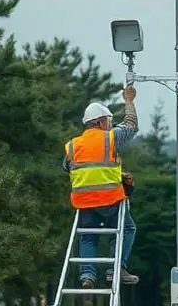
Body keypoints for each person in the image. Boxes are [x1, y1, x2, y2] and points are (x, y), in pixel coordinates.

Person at [62, 85, 139, 290]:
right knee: (128, 229)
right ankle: (116, 269)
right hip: (110, 200)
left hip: (84, 202)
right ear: (101, 121)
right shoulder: (111, 138)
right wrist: (129, 100)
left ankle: (87, 275)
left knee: (88, 236)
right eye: (108, 121)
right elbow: (131, 125)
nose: (110, 124)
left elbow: (68, 167)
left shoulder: (72, 145)